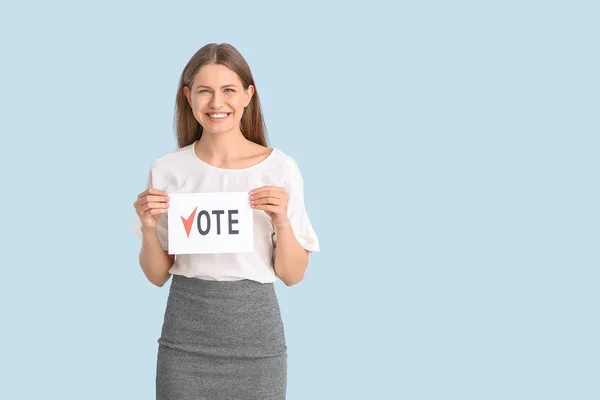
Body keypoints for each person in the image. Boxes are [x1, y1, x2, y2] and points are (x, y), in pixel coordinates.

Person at [131, 43, 320, 399]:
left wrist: (281, 220)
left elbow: (293, 276)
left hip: (256, 341)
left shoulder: (280, 169)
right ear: (188, 97)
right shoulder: (168, 169)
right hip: (184, 340)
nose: (217, 103)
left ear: (249, 95)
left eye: (229, 90)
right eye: (205, 91)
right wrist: (146, 228)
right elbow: (157, 275)